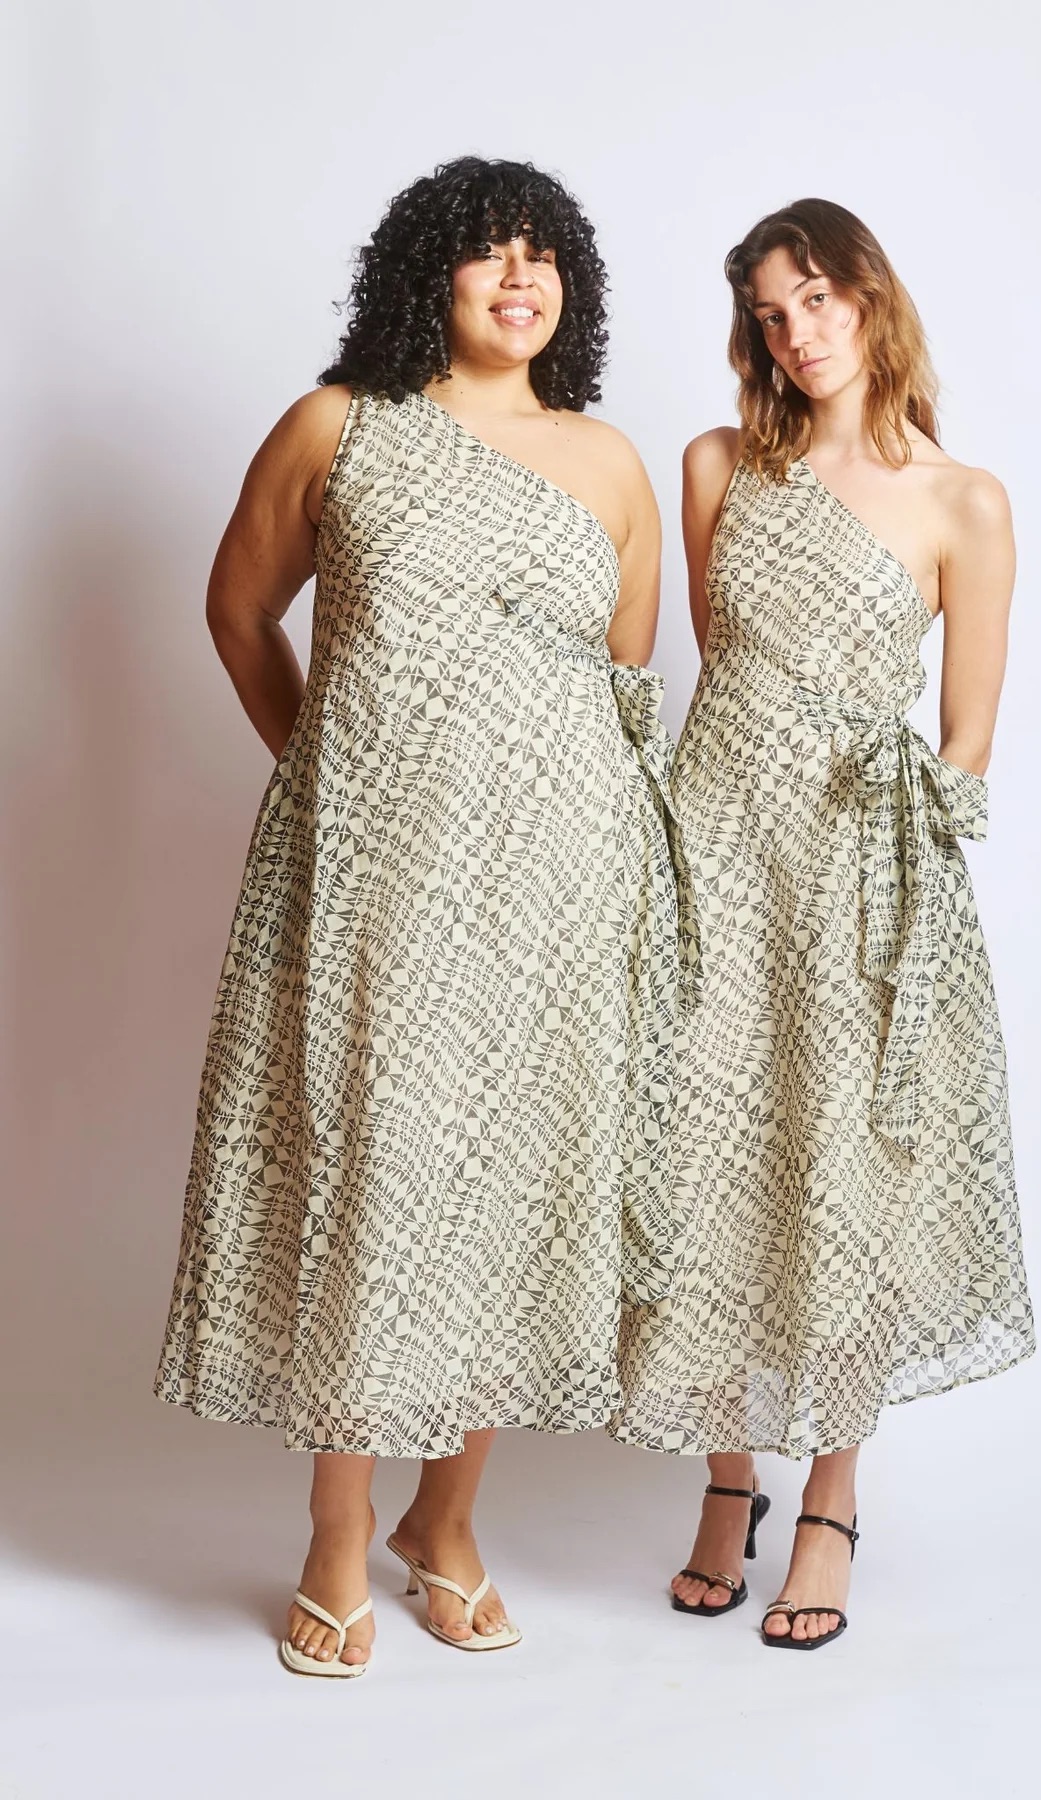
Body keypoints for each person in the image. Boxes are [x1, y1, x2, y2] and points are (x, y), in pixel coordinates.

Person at [155, 155, 697, 1676]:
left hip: (563, 883)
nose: (520, 280)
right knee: (377, 1178)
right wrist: (329, 774)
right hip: (383, 880)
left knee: (514, 1184)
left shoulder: (609, 463)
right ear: (427, 275)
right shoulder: (337, 427)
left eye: (544, 257)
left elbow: (619, 687)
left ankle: (443, 1523)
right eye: (487, 253)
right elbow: (238, 613)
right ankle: (334, 1534)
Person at [612, 197, 1035, 1649]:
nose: (796, 334)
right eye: (769, 315)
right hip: (714, 848)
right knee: (695, 1157)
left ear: (870, 295)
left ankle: (833, 1499)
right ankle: (728, 1480)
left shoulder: (965, 502)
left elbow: (965, 742)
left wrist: (895, 868)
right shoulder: (717, 466)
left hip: (858, 879)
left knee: (843, 1174)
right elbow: (724, 669)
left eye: (816, 301)